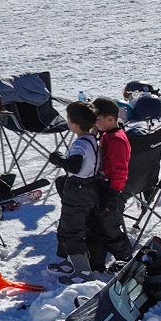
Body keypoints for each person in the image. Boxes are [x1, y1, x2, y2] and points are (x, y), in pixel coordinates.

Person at [44, 101, 101, 282]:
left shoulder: (79, 145)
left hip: (78, 189)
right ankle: (71, 262)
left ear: (75, 124)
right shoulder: (92, 139)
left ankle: (83, 272)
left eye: (68, 120)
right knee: (67, 225)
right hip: (88, 187)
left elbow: (74, 167)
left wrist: (59, 160)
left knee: (72, 230)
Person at [87, 97, 137, 271]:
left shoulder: (116, 139)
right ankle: (96, 260)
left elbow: (120, 170)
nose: (95, 123)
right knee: (96, 221)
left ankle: (125, 258)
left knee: (109, 225)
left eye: (97, 120)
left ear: (109, 119)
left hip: (113, 187)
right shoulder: (107, 134)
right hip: (103, 184)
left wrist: (113, 194)